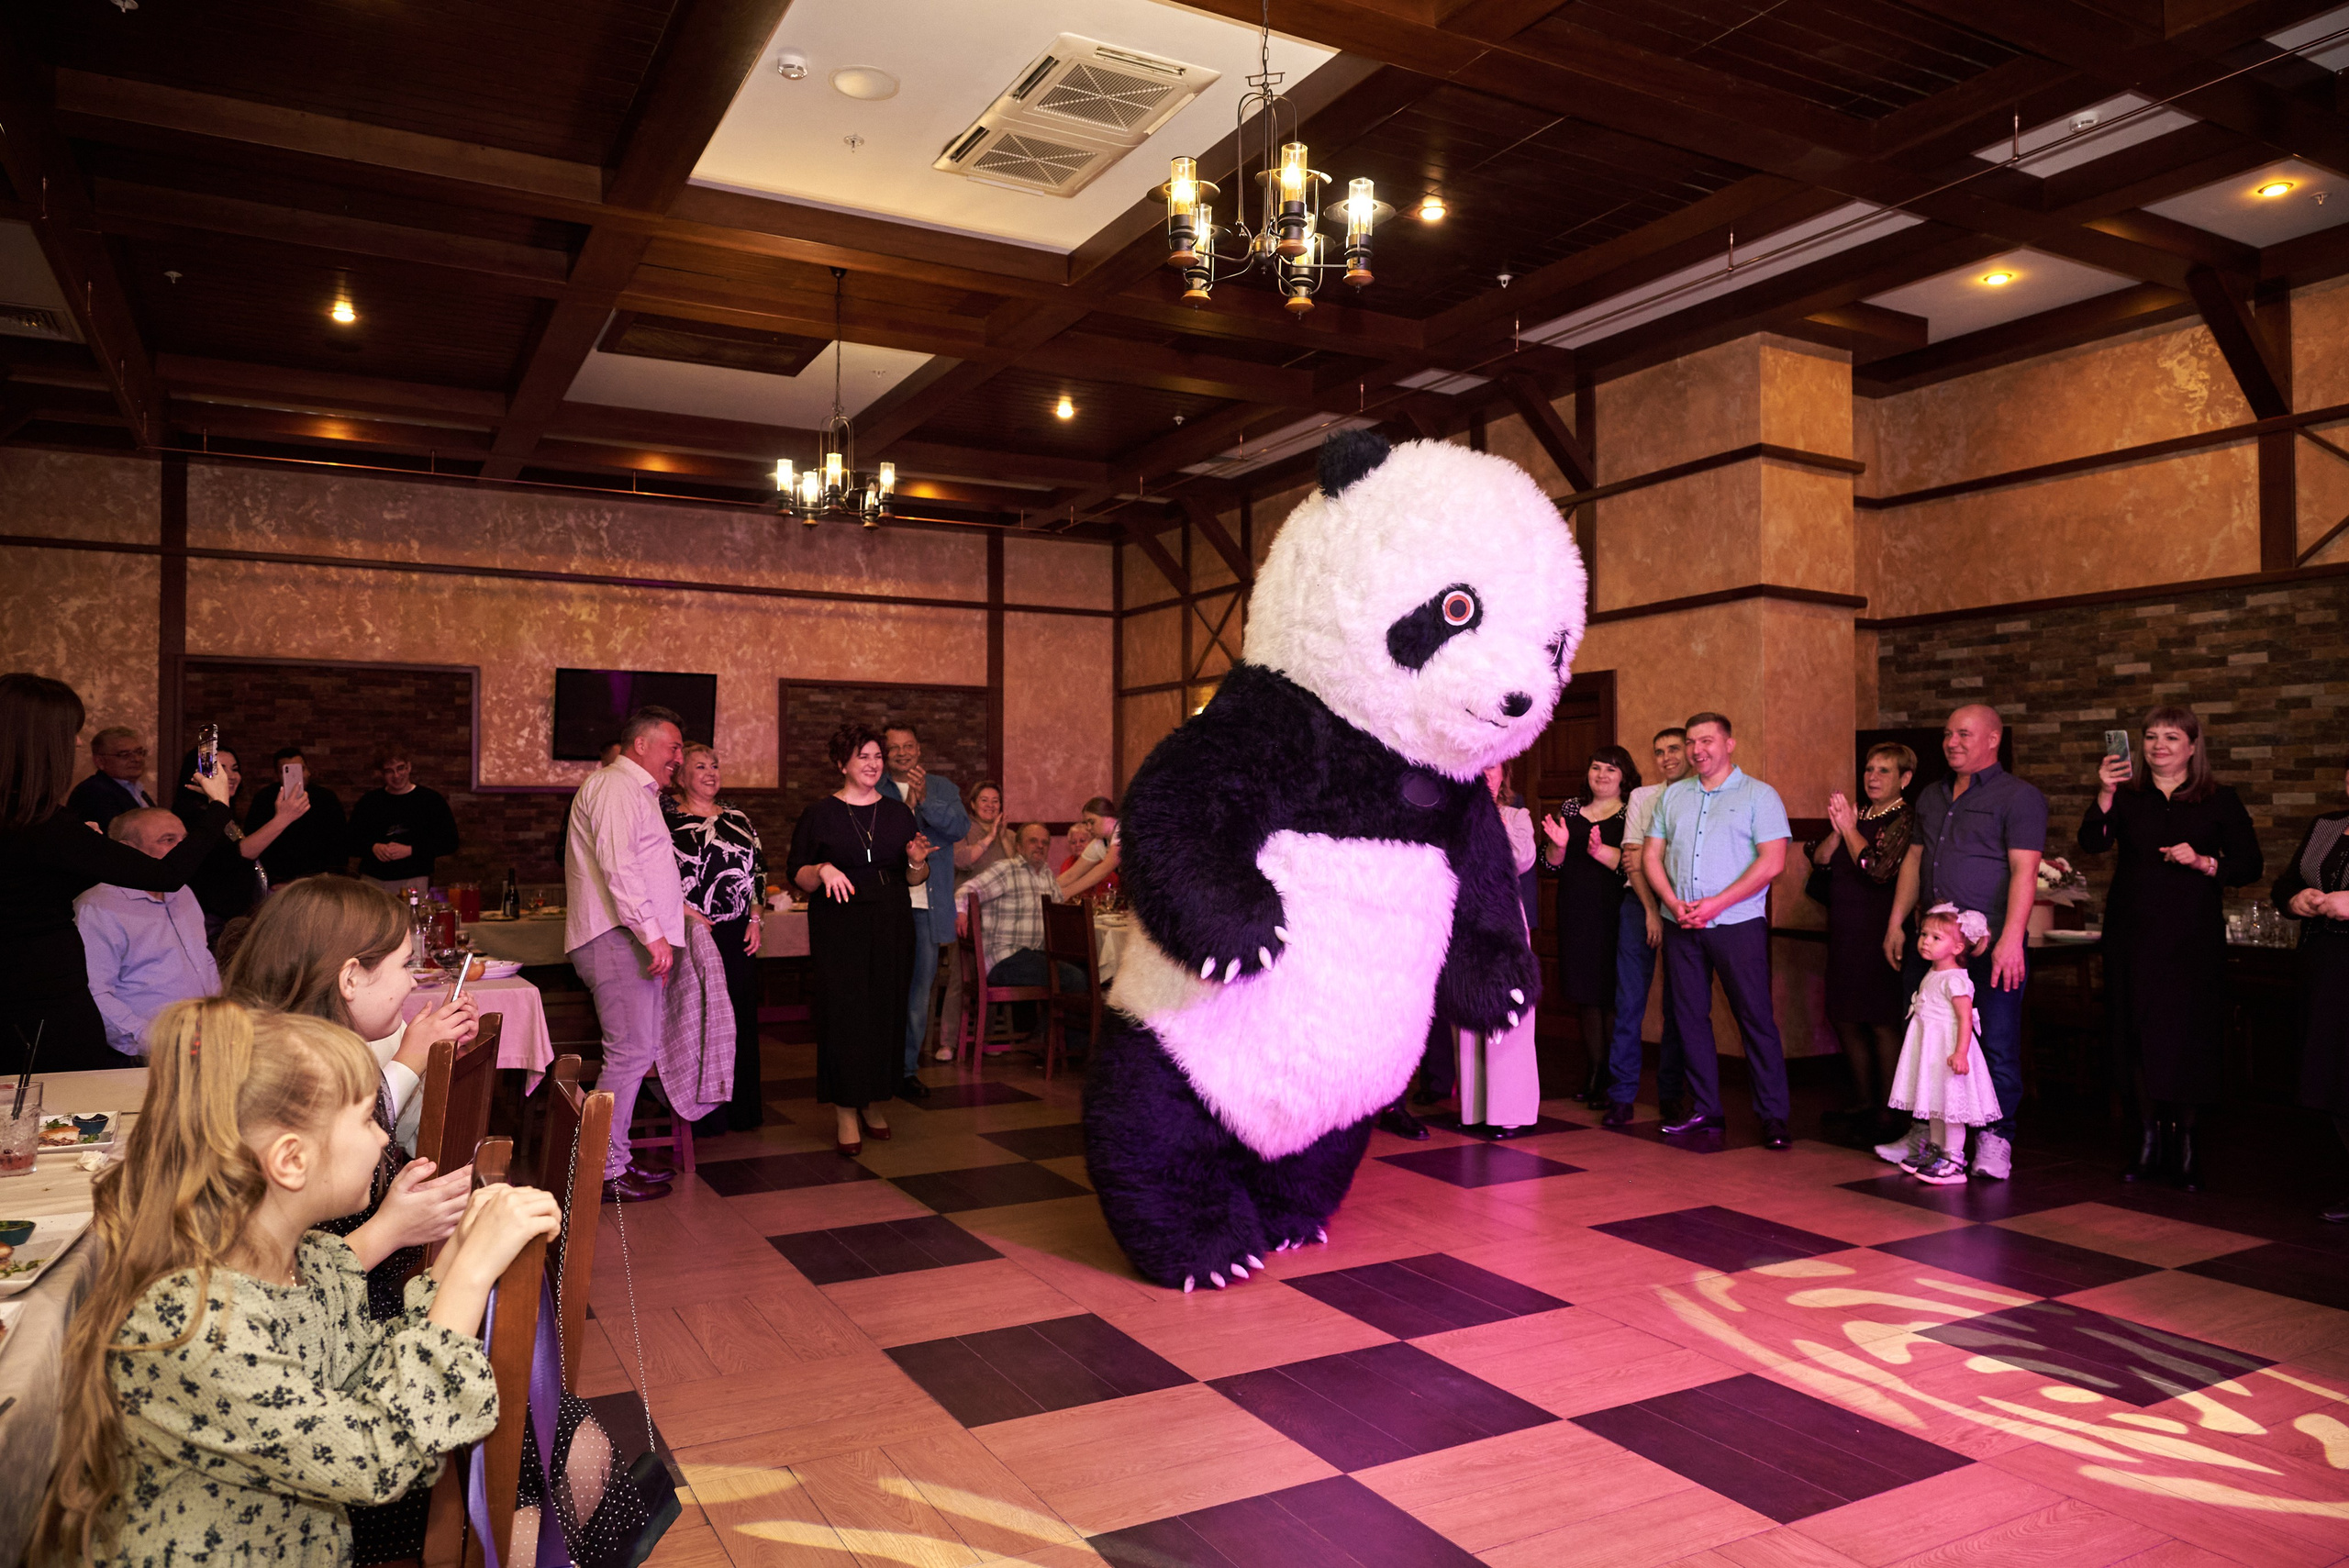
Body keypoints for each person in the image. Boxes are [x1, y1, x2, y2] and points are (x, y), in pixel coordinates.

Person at [33, 997, 559, 1568]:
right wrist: (472, 1274)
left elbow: (369, 1373)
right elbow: (376, 1455)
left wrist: (455, 1259)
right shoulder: (192, 1324)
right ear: (291, 1160)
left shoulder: (303, 1263)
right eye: (365, 1119)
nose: (384, 1139)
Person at [221, 875, 484, 1329]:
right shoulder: (284, 1075)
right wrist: (393, 1230)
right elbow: (279, 1283)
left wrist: (434, 1062)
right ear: (349, 978)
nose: (410, 984)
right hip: (334, 1322)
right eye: (405, 966)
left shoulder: (282, 1044)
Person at [1, 673, 233, 1071]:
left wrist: (79, 856)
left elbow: (29, 890)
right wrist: (218, 808)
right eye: (70, 731)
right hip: (42, 996)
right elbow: (165, 876)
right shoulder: (38, 821)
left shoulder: (27, 817)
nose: (76, 743)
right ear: (38, 739)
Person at [2078, 705, 2260, 1191]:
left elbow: (2249, 866)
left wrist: (2203, 862)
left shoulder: (2219, 799)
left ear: (2194, 746)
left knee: (2187, 1037)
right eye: (2152, 737)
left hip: (2190, 940)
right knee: (2134, 1033)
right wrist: (2105, 792)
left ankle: (2186, 1142)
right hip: (2131, 937)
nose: (2160, 746)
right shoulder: (2129, 796)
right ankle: (2147, 1138)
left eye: (2172, 738)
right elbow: (2092, 843)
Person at [1884, 704, 2046, 1182]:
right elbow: (1914, 862)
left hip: (1991, 945)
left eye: (1964, 734)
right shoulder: (1932, 797)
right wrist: (1897, 923)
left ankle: (1996, 1140)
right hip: (1935, 947)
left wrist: (2013, 938)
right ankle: (1926, 1137)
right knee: (1928, 1040)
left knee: (1993, 1043)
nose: (1953, 742)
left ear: (1993, 739)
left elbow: (2025, 871)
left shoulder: (2019, 797)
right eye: (1948, 734)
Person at [1642, 712, 1795, 1150]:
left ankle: (1774, 1116)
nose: (1696, 750)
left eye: (1706, 741)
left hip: (1737, 925)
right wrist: (1673, 904)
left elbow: (1773, 862)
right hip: (1681, 925)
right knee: (1688, 1018)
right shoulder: (1674, 797)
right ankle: (1707, 1109)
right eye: (1691, 742)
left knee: (1755, 1018)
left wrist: (1715, 904)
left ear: (1729, 744)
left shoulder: (1759, 796)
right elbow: (1652, 856)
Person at [790, 723, 933, 1155]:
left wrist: (917, 862)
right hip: (840, 926)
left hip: (891, 921)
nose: (872, 764)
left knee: (884, 1013)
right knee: (845, 1015)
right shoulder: (820, 813)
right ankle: (845, 1109)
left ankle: (871, 1101)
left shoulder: (898, 811)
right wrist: (824, 870)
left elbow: (913, 878)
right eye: (862, 757)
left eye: (877, 756)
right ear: (842, 764)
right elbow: (797, 872)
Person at [564, 705, 688, 1203]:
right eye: (673, 747)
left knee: (635, 1053)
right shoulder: (616, 786)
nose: (679, 757)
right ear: (641, 744)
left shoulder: (634, 792)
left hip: (625, 936)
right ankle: (605, 1169)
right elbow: (620, 868)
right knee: (630, 1053)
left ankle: (615, 1160)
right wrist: (652, 933)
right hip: (619, 937)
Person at [1810, 742, 1917, 1142]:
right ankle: (1862, 1100)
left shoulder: (1905, 818)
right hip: (1844, 930)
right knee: (1845, 1014)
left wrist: (1850, 829)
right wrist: (1840, 833)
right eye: (1870, 769)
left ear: (1905, 778)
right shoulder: (1857, 816)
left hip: (1880, 931)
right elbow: (1820, 860)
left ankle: (1891, 1109)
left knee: (1880, 1019)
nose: (1873, 777)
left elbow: (1877, 869)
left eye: (1884, 771)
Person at [664, 742, 765, 1134]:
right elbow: (653, 872)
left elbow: (758, 871)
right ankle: (704, 1117)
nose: (710, 773)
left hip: (737, 932)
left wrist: (756, 918)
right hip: (690, 932)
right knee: (700, 1019)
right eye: (700, 766)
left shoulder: (738, 817)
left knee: (738, 1019)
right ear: (681, 775)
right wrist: (683, 911)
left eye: (715, 766)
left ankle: (742, 1110)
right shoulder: (665, 816)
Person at [74, 808, 220, 1060]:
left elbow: (202, 958)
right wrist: (152, 1041)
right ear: (126, 850)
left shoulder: (182, 890)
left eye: (184, 840)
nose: (184, 849)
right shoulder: (99, 905)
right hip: (144, 1054)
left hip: (204, 1041)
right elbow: (95, 993)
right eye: (168, 840)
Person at [1542, 747, 1637, 1121]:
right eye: (1596, 767)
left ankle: (1612, 1078)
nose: (1601, 774)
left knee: (1610, 994)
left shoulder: (1631, 813)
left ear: (1624, 776)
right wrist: (1559, 845)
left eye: (1610, 769)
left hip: (1614, 913)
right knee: (1584, 993)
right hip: (1575, 912)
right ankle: (1594, 1069)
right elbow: (1551, 863)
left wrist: (1601, 852)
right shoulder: (1569, 809)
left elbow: (1633, 867)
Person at [1606, 728, 1694, 1123]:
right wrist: (1650, 910)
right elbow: (1632, 860)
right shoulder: (1643, 796)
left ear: (1690, 752)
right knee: (1629, 1002)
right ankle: (1621, 1096)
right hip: (1639, 904)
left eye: (1674, 749)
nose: (1666, 758)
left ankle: (1671, 1094)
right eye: (1659, 752)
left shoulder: (1700, 797)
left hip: (1686, 908)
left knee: (1679, 1005)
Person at [2275, 761, 2349, 1223]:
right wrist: (2295, 900)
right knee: (2334, 1082)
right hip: (2325, 966)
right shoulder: (2327, 825)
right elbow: (2286, 882)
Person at [1879, 906, 2002, 1185]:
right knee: (1935, 1104)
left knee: (1951, 1109)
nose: (1925, 941)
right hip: (1931, 1051)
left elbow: (1964, 1018)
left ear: (1958, 947)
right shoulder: (1934, 973)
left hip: (1948, 1050)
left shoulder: (1956, 979)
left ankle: (1953, 1159)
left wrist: (1960, 1053)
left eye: (1936, 938)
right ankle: (1935, 1151)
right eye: (1924, 934)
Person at [878, 722, 968, 1100]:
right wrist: (907, 807)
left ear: (919, 750)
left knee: (918, 995)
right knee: (882, 991)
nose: (902, 753)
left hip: (927, 908)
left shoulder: (943, 788)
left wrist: (926, 799)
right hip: (886, 907)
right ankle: (876, 1069)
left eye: (908, 746)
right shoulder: (874, 786)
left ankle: (906, 1071)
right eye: (894, 747)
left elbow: (957, 828)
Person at [959, 822, 1094, 1057]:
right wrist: (961, 912)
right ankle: (1063, 1046)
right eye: (1033, 841)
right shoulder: (1006, 870)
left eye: (1045, 842)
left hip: (1030, 955)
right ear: (1019, 845)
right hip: (1005, 959)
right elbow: (966, 890)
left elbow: (1057, 912)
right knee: (1074, 977)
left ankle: (1049, 1038)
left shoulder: (1047, 876)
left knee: (1084, 968)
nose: (1040, 846)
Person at [1456, 767, 1541, 1136]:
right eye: (1480, 767)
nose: (1486, 774)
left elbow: (1522, 860)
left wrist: (1490, 819)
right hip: (1464, 917)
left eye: (1493, 768)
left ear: (1504, 773)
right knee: (1468, 1005)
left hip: (1505, 915)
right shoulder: (1455, 812)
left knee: (1510, 1007)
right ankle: (1475, 1111)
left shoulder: (1516, 816)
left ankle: (1511, 1111)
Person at [171, 745, 311, 943]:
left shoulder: (219, 812)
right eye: (221, 769)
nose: (232, 776)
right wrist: (284, 818)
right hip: (210, 921)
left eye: (235, 769)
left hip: (231, 917)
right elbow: (237, 854)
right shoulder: (193, 814)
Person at [346, 749, 461, 896]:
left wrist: (410, 850)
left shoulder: (430, 800)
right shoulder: (369, 801)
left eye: (400, 768)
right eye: (389, 771)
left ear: (409, 767)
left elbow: (450, 842)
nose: (396, 775)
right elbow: (349, 840)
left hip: (414, 879)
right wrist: (373, 847)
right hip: (372, 879)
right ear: (382, 774)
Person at [246, 745, 349, 884]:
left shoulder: (326, 798)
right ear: (277, 775)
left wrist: (331, 880)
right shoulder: (264, 799)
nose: (296, 775)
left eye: (301, 769)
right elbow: (253, 838)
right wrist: (272, 881)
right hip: (278, 883)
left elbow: (339, 842)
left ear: (308, 772)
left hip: (318, 882)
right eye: (287, 771)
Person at [64, 725, 154, 831]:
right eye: (125, 754)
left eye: (139, 752)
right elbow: (116, 834)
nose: (137, 759)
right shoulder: (92, 791)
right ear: (100, 762)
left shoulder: (136, 788)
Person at [1058, 796, 1124, 904]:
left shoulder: (1123, 830)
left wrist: (1068, 891)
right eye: (1086, 823)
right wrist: (1046, 890)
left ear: (1109, 817)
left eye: (1092, 822)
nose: (1088, 827)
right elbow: (1071, 875)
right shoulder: (1100, 842)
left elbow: (1106, 867)